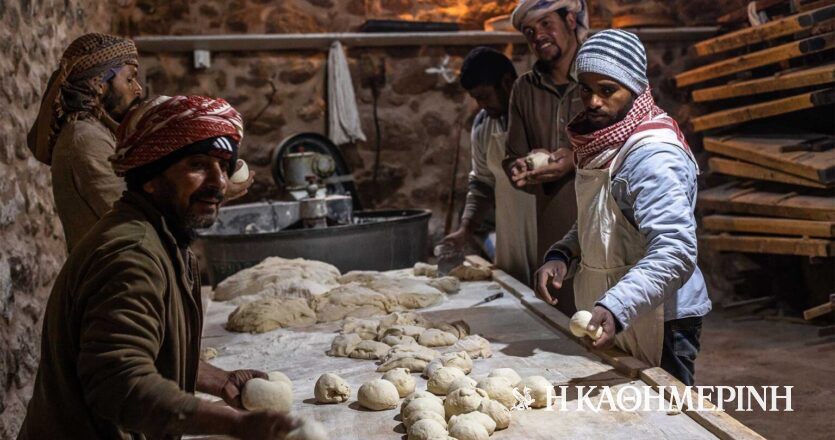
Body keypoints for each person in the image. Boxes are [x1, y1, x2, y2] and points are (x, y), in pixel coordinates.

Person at [18, 96, 292, 440]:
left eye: (224, 166)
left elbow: (146, 350)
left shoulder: (164, 237)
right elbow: (118, 382)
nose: (219, 182)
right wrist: (233, 425)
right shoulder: (132, 255)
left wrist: (219, 381)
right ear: (150, 176)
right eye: (198, 165)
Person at [534, 30, 712, 385]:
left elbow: (675, 250)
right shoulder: (606, 143)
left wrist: (618, 305)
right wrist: (563, 254)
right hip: (619, 307)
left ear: (634, 89)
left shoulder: (652, 156)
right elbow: (603, 219)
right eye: (586, 89)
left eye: (607, 90)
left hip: (662, 318)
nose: (594, 101)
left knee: (668, 420)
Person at [27, 33, 253, 251]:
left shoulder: (100, 133)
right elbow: (131, 215)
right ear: (99, 83)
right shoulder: (85, 138)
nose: (138, 89)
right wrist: (217, 193)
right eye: (129, 78)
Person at [504, 0, 590, 310]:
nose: (537, 35)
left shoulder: (597, 77)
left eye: (545, 24)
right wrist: (520, 168)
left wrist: (575, 158)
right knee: (564, 328)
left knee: (612, 328)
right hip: (554, 230)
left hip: (603, 224)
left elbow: (627, 145)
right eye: (529, 30)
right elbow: (512, 156)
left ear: (570, 19)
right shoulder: (524, 89)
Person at [439, 47, 537, 285]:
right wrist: (465, 230)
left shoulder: (540, 114)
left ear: (506, 82)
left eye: (484, 96)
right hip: (510, 241)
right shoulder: (484, 126)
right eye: (476, 98)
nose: (481, 105)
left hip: (546, 235)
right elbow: (482, 182)